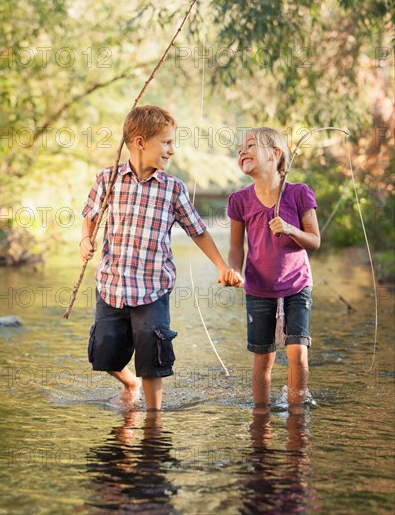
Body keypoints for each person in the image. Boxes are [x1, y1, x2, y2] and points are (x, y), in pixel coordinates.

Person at [80, 105, 242, 411]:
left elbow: (198, 232)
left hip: (153, 289)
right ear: (140, 142)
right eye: (166, 142)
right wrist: (85, 240)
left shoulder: (173, 188)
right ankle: (130, 383)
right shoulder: (108, 178)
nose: (172, 149)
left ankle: (153, 417)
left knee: (152, 352)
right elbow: (90, 215)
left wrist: (222, 266)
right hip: (111, 284)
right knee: (104, 352)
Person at [227, 127, 320, 407]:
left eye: (251, 145)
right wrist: (235, 270)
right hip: (258, 287)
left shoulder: (299, 194)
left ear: (275, 154)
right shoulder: (239, 200)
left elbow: (314, 241)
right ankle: (260, 418)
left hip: (296, 283)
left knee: (297, 352)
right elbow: (236, 247)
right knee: (262, 358)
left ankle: (297, 411)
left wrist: (290, 228)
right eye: (240, 147)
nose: (242, 151)